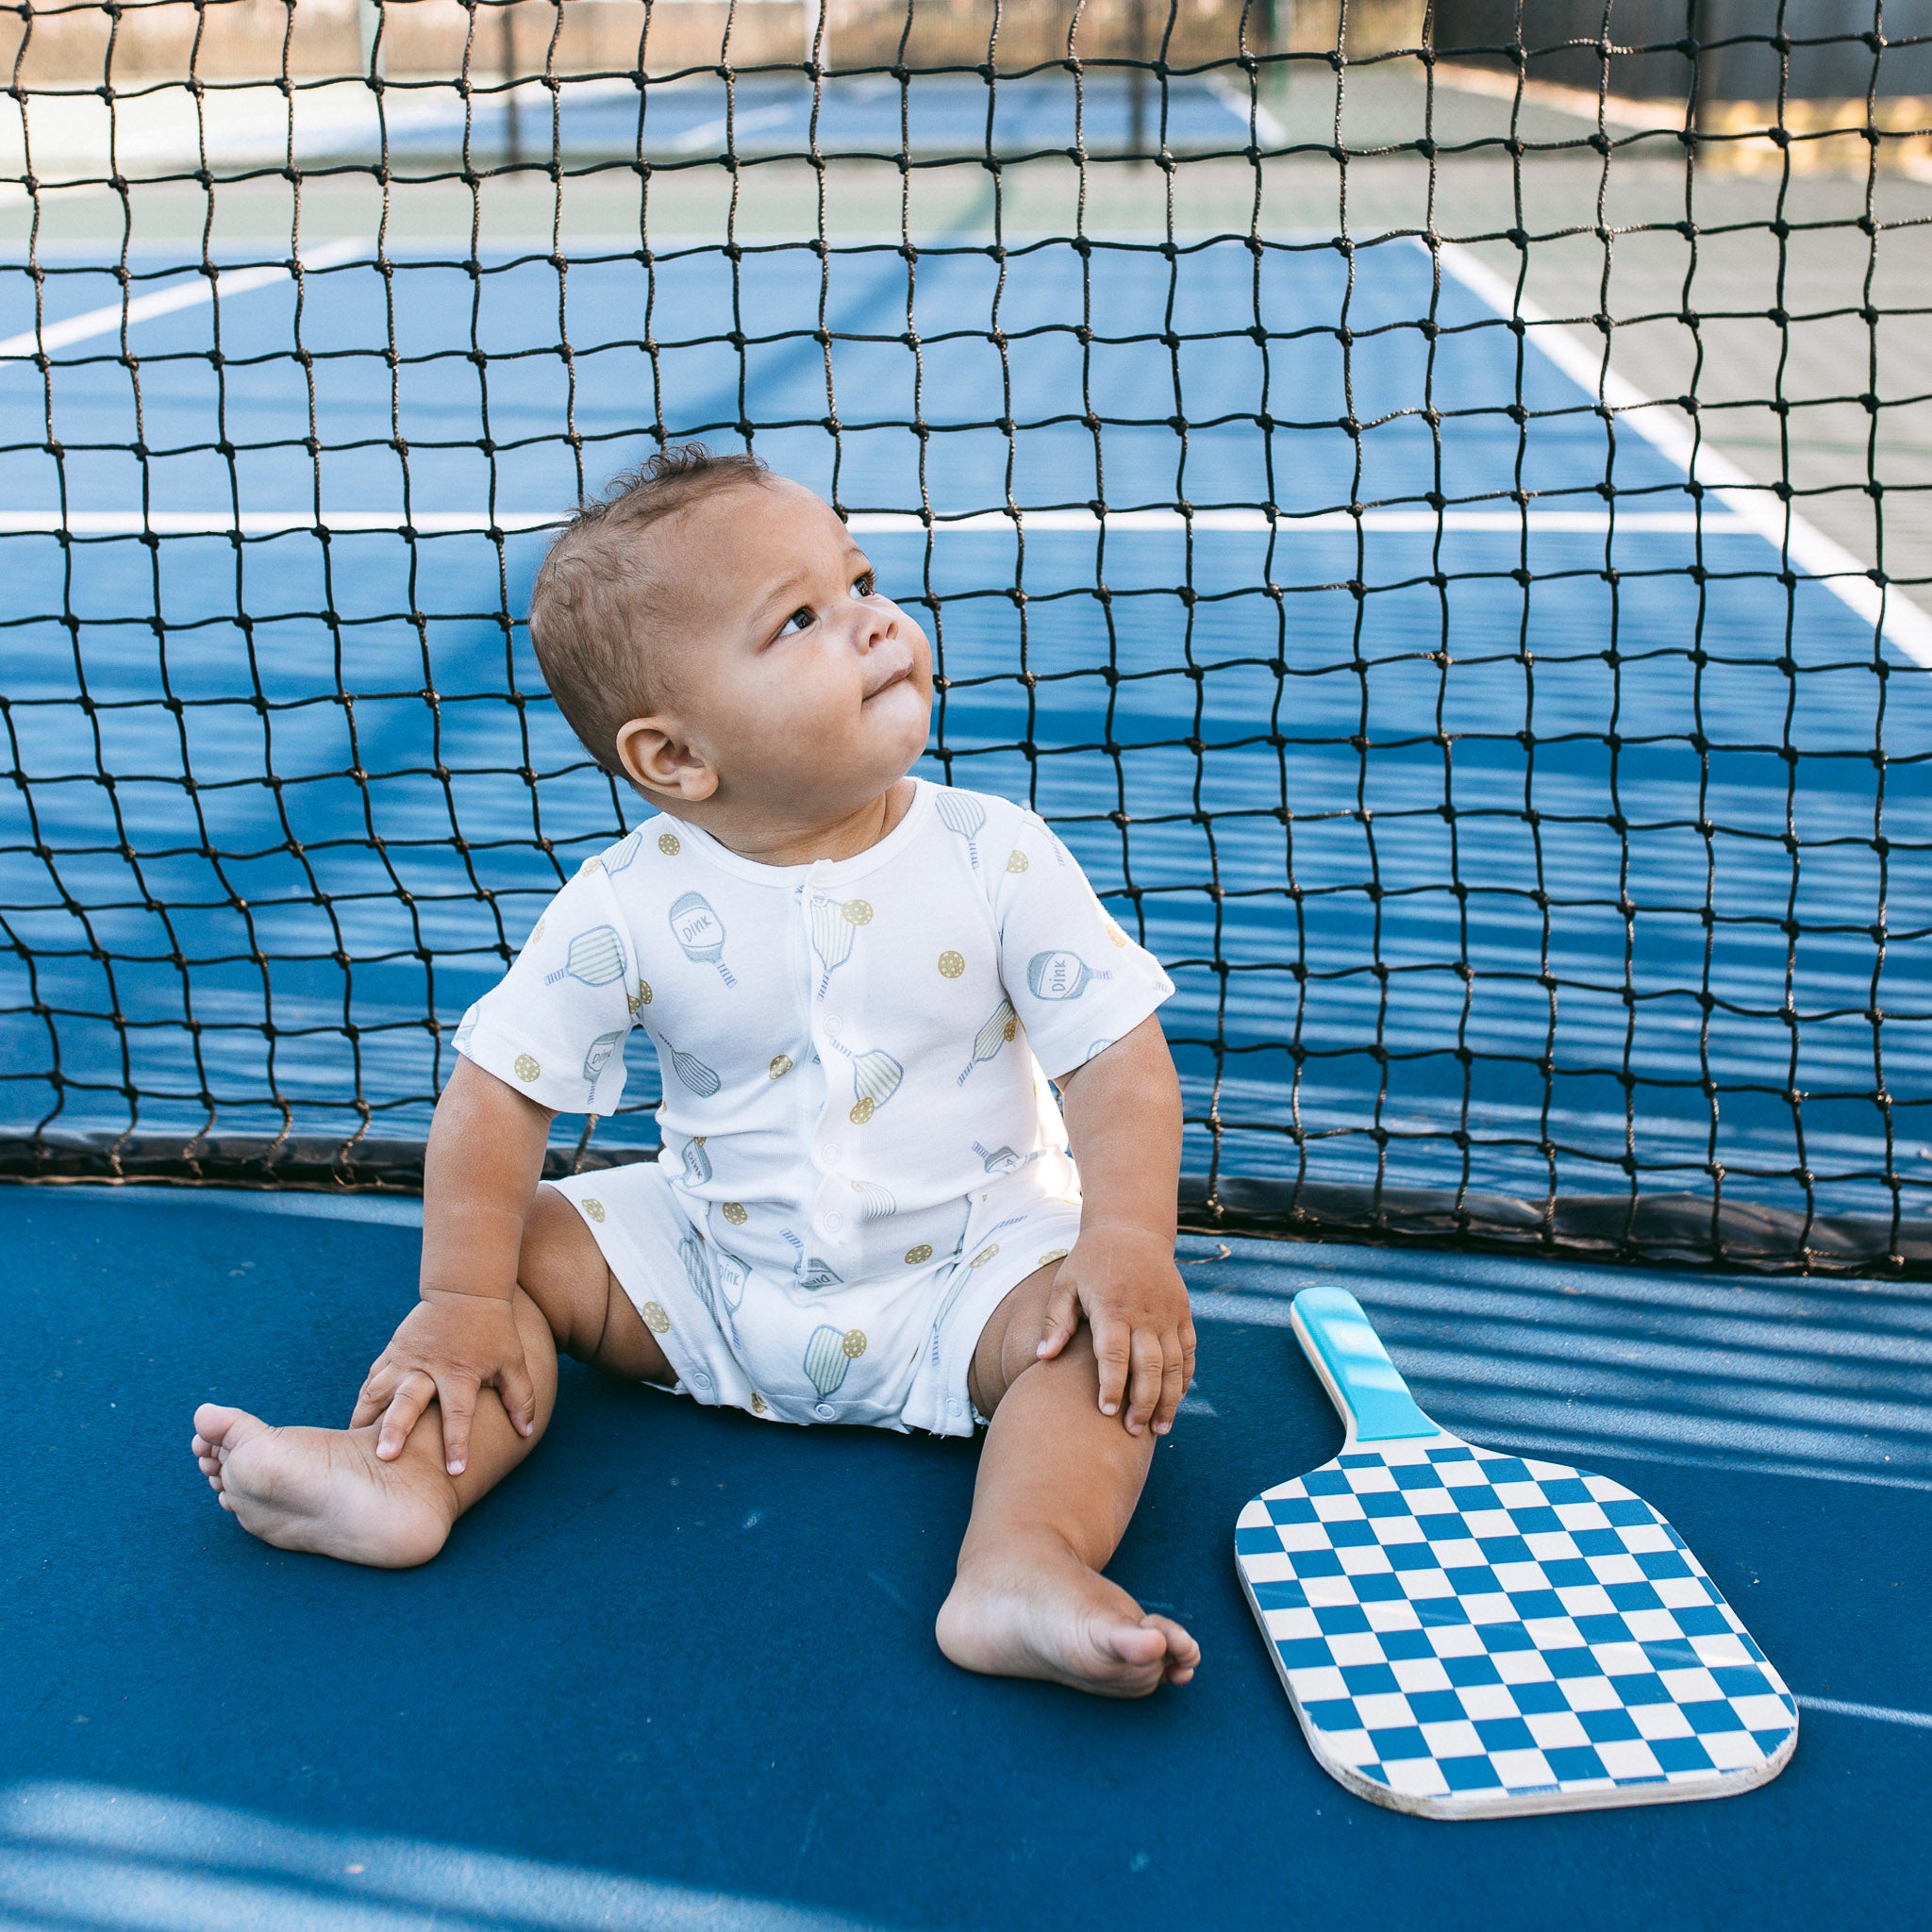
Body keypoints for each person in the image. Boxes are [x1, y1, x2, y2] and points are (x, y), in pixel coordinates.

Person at [191, 448, 1200, 1697]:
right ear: (672, 760)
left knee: (1093, 1343)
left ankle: (1021, 1567)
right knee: (522, 1241)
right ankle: (395, 1481)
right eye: (802, 618)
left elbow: (1116, 1059)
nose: (877, 619)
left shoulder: (998, 856)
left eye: (861, 579)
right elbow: (497, 1094)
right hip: (707, 1274)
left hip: (970, 1276)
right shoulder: (626, 901)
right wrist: (457, 1298)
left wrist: (1128, 1240)